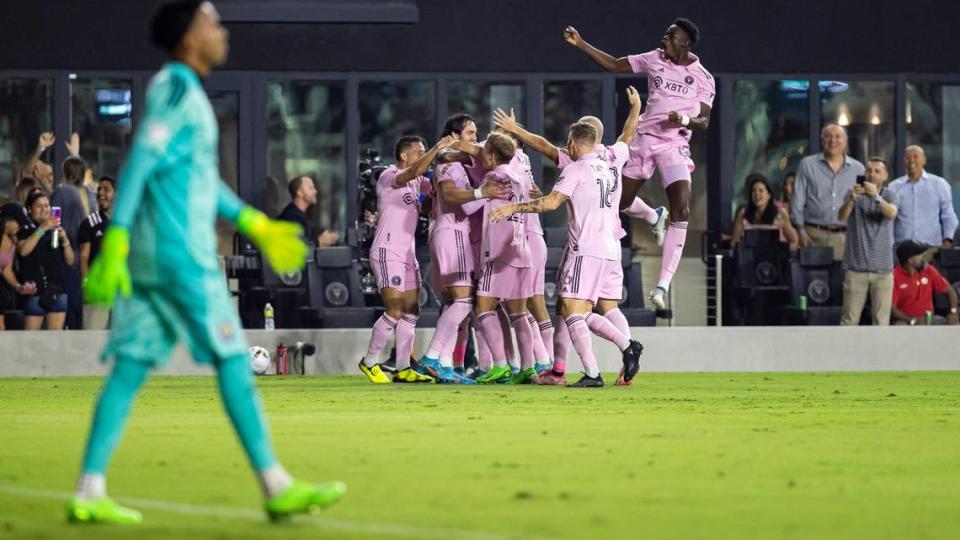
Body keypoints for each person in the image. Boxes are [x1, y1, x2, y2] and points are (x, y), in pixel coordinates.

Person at [69, 1, 345, 525]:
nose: (222, 31)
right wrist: (118, 233)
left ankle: (89, 487)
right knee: (233, 361)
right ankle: (275, 483)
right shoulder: (176, 88)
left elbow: (197, 180)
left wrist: (254, 223)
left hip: (157, 257)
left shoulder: (183, 92)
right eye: (212, 22)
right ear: (190, 38)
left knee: (129, 368)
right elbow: (142, 161)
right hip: (184, 257)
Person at [490, 102, 644, 388]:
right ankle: (575, 366)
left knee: (573, 314)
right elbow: (627, 135)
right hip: (611, 249)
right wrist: (635, 108)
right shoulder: (612, 161)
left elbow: (550, 203)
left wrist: (512, 209)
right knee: (577, 310)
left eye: (568, 143)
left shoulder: (576, 168)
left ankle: (601, 367)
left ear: (573, 142)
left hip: (586, 249)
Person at [564, 18, 715, 309]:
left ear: (683, 43)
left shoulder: (702, 77)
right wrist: (581, 43)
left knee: (682, 208)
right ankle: (651, 215)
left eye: (669, 37)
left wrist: (682, 119)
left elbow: (704, 121)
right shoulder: (654, 58)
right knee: (618, 201)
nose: (663, 40)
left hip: (675, 144)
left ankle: (662, 286)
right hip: (645, 139)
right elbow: (613, 65)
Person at [359, 133, 455, 384]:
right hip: (386, 250)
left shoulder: (419, 182)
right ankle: (369, 361)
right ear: (404, 155)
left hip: (407, 253)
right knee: (395, 309)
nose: (423, 155)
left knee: (412, 311)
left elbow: (426, 198)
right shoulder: (389, 176)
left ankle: (403, 367)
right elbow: (410, 175)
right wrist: (436, 149)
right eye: (418, 151)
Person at [417, 120, 509, 383]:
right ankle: (432, 357)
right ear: (455, 135)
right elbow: (449, 195)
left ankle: (443, 365)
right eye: (470, 132)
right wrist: (483, 192)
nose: (475, 138)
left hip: (448, 231)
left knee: (452, 304)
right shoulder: (448, 163)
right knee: (464, 300)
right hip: (451, 231)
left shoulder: (454, 162)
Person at [837, 158, 899, 326]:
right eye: (868, 170)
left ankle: (879, 353)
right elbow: (841, 217)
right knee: (849, 321)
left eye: (877, 171)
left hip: (883, 271)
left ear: (885, 176)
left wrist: (876, 197)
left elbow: (892, 213)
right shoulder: (854, 194)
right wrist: (850, 199)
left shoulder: (889, 195)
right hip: (856, 269)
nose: (871, 174)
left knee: (881, 322)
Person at [790, 124, 865, 260]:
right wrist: (800, 232)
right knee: (814, 281)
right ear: (821, 140)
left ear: (846, 141)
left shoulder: (858, 169)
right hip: (813, 236)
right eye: (828, 137)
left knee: (842, 280)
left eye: (838, 137)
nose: (833, 141)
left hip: (846, 238)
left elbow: (862, 205)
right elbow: (797, 202)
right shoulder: (807, 165)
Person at [16, 190, 74, 330]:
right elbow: (23, 251)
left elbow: (70, 261)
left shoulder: (56, 230)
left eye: (47, 205)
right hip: (36, 293)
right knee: (30, 344)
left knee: (55, 343)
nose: (44, 209)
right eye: (39, 206)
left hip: (58, 291)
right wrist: (42, 228)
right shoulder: (26, 230)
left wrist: (65, 239)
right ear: (30, 209)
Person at [886, 145, 958, 253]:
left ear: (924, 160)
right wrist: (889, 246)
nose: (911, 161)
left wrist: (948, 241)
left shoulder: (939, 184)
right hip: (901, 250)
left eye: (915, 157)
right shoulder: (894, 186)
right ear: (903, 161)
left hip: (931, 249)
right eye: (907, 157)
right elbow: (889, 221)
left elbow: (949, 216)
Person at [52, 154, 93, 329]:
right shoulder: (90, 194)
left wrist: (52, 247)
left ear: (65, 171)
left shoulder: (61, 191)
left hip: (65, 255)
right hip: (86, 256)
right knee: (79, 307)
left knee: (67, 307)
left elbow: (54, 221)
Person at [78, 177, 116, 330]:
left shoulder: (127, 223)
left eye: (106, 189)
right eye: (99, 189)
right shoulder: (90, 223)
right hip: (97, 291)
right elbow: (83, 257)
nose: (100, 193)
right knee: (92, 341)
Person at [891, 240, 958, 325]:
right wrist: (913, 321)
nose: (924, 259)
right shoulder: (894, 276)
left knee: (954, 323)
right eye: (921, 257)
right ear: (910, 260)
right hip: (905, 320)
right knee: (899, 327)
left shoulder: (929, 270)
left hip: (929, 319)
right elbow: (892, 309)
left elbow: (951, 291)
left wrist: (953, 312)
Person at [731, 173, 799, 250]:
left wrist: (783, 253)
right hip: (749, 259)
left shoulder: (780, 213)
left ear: (769, 195)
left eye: (761, 191)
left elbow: (794, 241)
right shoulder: (743, 213)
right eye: (754, 191)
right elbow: (734, 243)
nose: (757, 194)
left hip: (774, 259)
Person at [1, 203, 38, 329]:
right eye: (18, 222)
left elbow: (6, 270)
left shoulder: (12, 240)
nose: (21, 226)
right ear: (7, 221)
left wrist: (19, 287)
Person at [276, 175, 339, 247]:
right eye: (311, 188)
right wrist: (318, 242)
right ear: (299, 193)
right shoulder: (292, 218)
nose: (316, 191)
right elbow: (298, 249)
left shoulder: (301, 215)